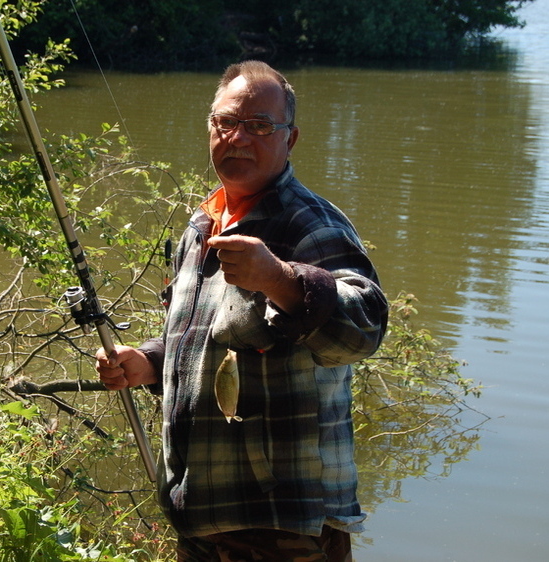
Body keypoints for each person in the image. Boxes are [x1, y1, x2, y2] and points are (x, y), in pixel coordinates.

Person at [96, 60, 388, 562]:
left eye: (259, 126)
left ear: (290, 139)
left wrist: (278, 277)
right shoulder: (200, 226)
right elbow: (204, 341)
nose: (238, 138)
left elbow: (364, 331)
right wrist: (148, 362)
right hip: (201, 515)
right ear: (210, 127)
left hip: (281, 526)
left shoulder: (310, 224)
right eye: (226, 123)